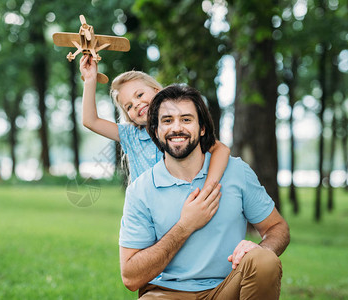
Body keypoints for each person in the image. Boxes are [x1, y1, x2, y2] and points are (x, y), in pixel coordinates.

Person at [119, 84, 290, 299]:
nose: (176, 128)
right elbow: (131, 278)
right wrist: (185, 226)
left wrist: (261, 248)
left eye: (186, 119)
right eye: (167, 120)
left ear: (202, 129)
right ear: (156, 130)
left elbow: (277, 227)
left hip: (228, 287)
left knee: (264, 259)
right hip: (167, 293)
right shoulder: (140, 190)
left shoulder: (236, 171)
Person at [79, 55, 230, 184]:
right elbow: (90, 121)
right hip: (145, 213)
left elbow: (221, 149)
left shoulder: (179, 129)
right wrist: (90, 79)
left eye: (139, 95)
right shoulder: (131, 135)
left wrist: (210, 186)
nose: (137, 104)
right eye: (129, 106)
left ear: (157, 91)